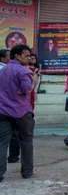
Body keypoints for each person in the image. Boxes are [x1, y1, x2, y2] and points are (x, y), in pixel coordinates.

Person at [0, 45, 39, 181]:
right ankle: (27, 171)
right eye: (26, 55)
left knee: (2, 143)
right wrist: (34, 82)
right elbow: (27, 89)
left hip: (3, 111)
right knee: (26, 141)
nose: (29, 58)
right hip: (21, 111)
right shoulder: (23, 71)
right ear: (17, 56)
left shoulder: (3, 69)